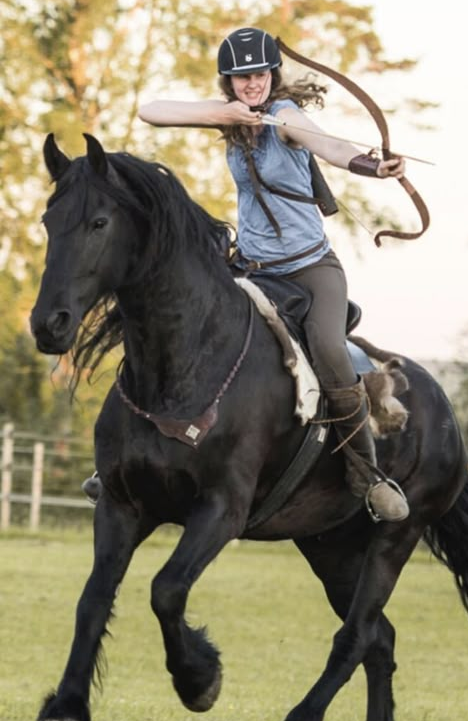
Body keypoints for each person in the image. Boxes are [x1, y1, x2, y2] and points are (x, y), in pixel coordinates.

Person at [84, 27, 409, 522]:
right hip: (249, 266)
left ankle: (367, 474)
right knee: (173, 328)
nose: (251, 85)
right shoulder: (231, 119)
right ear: (229, 82)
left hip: (309, 269)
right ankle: (123, 459)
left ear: (272, 75)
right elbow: (151, 110)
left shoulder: (285, 116)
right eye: (240, 78)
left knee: (326, 349)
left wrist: (372, 165)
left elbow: (329, 146)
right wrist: (222, 115)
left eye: (258, 75)